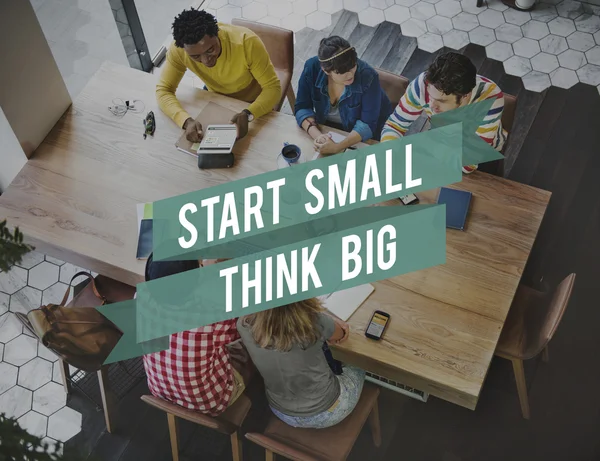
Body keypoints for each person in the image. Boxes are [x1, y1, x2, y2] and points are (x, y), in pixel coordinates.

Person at [140, 255, 246, 416]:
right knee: (248, 342)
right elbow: (241, 329)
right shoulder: (211, 315)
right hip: (211, 402)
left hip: (159, 390)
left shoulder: (139, 299)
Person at [237, 298, 366, 429]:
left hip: (280, 410)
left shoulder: (243, 323)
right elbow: (340, 335)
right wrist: (327, 320)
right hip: (328, 411)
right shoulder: (314, 321)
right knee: (360, 360)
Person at [156, 8, 281, 142]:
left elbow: (273, 88)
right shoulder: (179, 50)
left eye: (210, 50)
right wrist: (186, 121)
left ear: (217, 34)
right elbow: (163, 90)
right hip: (215, 99)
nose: (205, 61)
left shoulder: (246, 42)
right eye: (196, 56)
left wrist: (248, 114)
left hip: (253, 101)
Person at [381, 52, 507, 174]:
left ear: (465, 96)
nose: (431, 105)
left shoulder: (491, 99)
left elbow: (468, 164)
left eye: (441, 101)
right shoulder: (423, 84)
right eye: (431, 96)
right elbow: (394, 125)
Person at [294, 36, 393, 155]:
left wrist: (337, 147)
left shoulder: (369, 76)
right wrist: (319, 137)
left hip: (365, 134)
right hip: (328, 129)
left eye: (353, 66)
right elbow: (302, 107)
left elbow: (367, 124)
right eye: (341, 72)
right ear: (326, 71)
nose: (350, 74)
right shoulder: (311, 67)